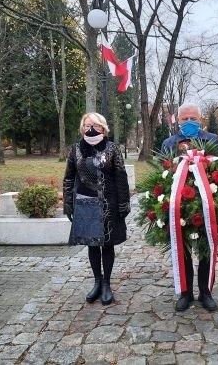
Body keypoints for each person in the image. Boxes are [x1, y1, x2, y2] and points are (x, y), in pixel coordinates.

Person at [161, 102, 218, 312]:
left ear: (201, 119)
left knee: (206, 248)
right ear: (177, 120)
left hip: (208, 205)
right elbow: (160, 175)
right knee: (183, 249)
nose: (189, 122)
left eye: (194, 119)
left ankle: (205, 292)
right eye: (185, 119)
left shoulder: (213, 140)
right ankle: (186, 293)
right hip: (179, 207)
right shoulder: (169, 143)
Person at [63, 112, 130, 306]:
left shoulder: (112, 148)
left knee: (107, 244)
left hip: (109, 203)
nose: (91, 129)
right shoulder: (76, 149)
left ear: (103, 128)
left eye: (96, 125)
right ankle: (97, 281)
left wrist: (124, 202)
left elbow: (120, 176)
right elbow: (69, 177)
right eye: (87, 125)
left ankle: (107, 284)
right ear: (82, 128)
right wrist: (68, 203)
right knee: (92, 245)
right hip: (85, 203)